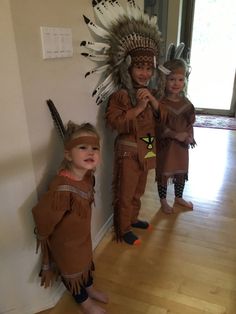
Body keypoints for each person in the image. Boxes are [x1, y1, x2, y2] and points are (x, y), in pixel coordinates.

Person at [32, 121, 108, 314]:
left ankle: (89, 287)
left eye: (94, 148)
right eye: (82, 148)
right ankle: (84, 302)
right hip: (66, 243)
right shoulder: (62, 188)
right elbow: (43, 214)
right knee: (71, 270)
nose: (90, 153)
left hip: (81, 237)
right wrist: (44, 233)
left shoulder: (87, 177)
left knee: (85, 261)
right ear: (68, 154)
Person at [106, 50, 161, 246]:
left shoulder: (152, 94)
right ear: (129, 69)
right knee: (126, 191)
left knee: (139, 189)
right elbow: (115, 122)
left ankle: (133, 218)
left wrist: (152, 102)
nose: (144, 73)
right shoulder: (121, 95)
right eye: (139, 67)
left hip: (147, 146)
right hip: (128, 150)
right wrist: (138, 108)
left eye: (148, 69)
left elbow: (165, 120)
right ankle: (123, 228)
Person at [156, 58, 196, 214]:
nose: (176, 83)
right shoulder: (160, 103)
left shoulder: (187, 103)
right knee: (164, 172)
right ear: (164, 80)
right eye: (172, 79)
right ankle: (163, 201)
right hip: (166, 146)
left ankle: (178, 197)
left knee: (181, 170)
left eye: (180, 79)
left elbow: (189, 123)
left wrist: (190, 136)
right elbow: (158, 127)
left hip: (182, 146)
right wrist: (174, 134)